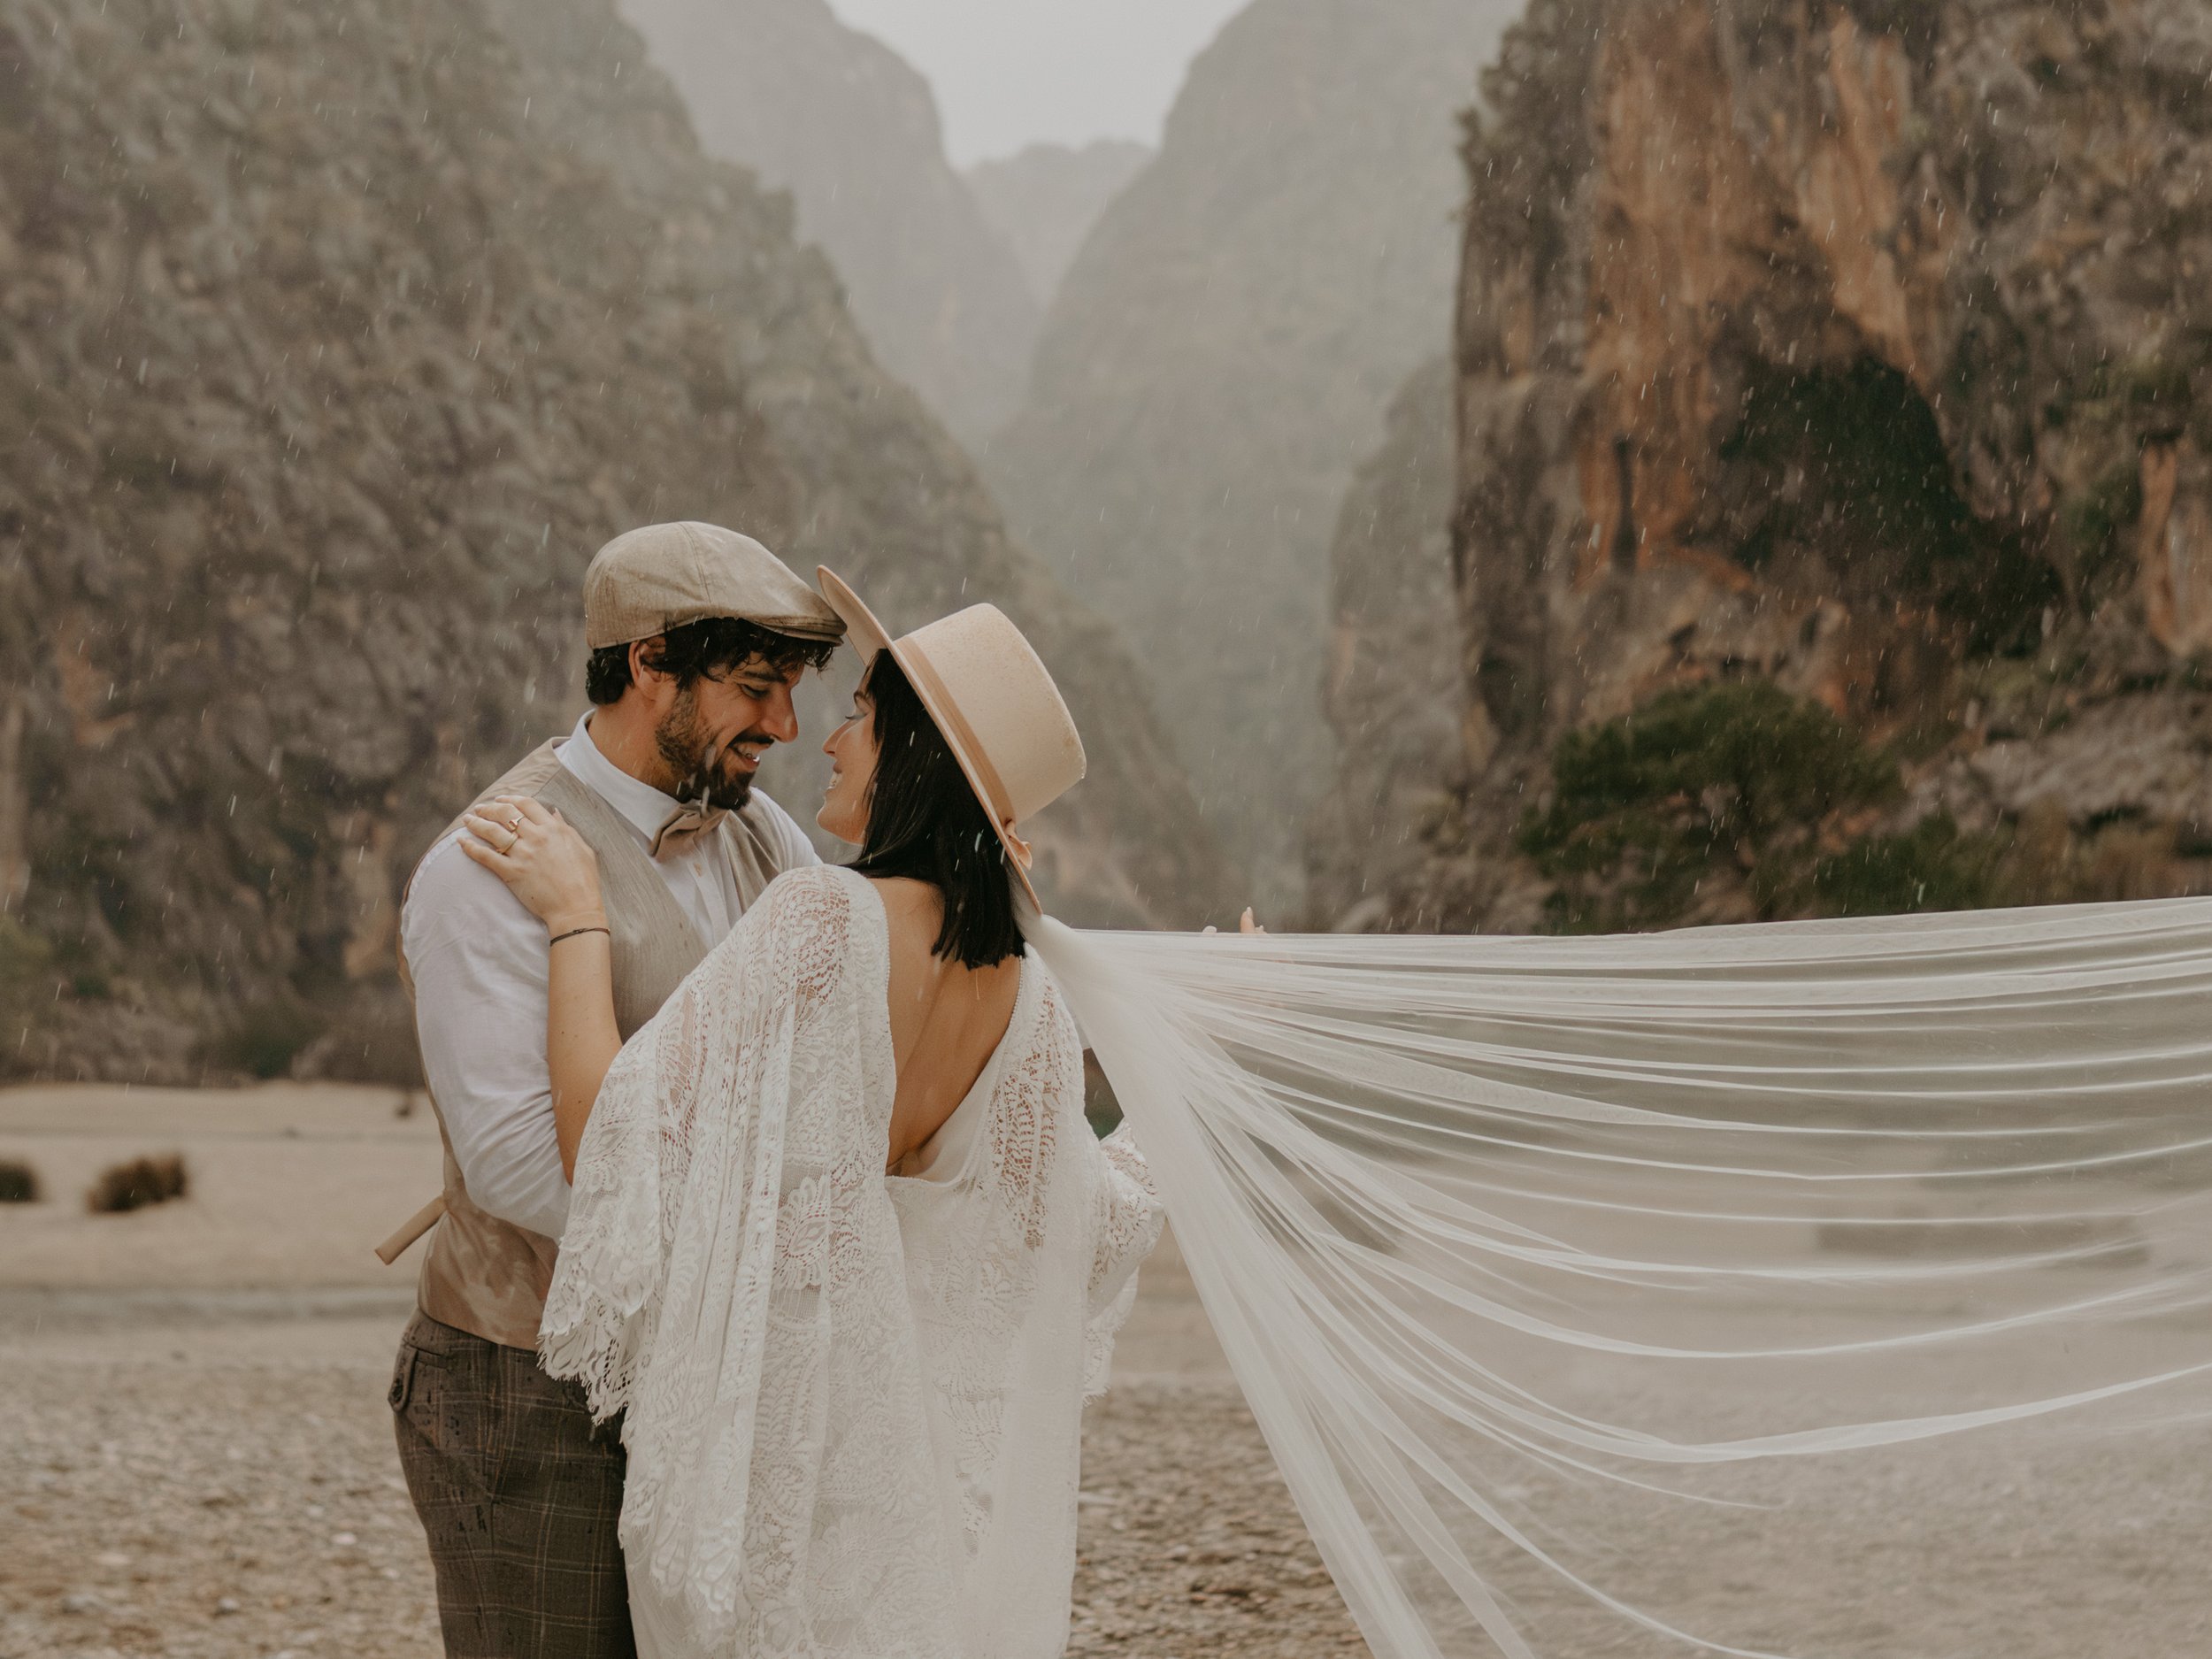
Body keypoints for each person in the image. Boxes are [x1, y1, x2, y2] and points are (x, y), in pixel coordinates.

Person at [459, 569, 1163, 1658]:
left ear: (918, 759)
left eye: (862, 717)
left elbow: (608, 1142)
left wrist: (575, 920)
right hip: (905, 1487)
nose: (826, 742)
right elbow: (1097, 1217)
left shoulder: (823, 920)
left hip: (772, 1467)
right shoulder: (1023, 993)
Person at [381, 522, 845, 1659]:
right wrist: (767, 1223)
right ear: (647, 664)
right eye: (754, 688)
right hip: (528, 1398)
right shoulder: (482, 866)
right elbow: (525, 1171)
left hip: (708, 1384)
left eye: (790, 691)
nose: (784, 728)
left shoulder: (762, 832)